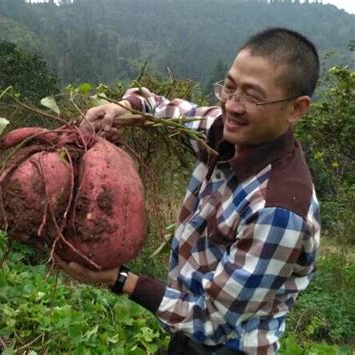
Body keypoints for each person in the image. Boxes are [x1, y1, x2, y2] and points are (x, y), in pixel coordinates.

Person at [56, 27, 321, 354]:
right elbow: (166, 110)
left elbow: (212, 321)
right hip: (186, 332)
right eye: (229, 86)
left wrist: (119, 280)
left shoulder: (278, 211)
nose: (232, 105)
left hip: (230, 345)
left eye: (252, 96)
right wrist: (123, 109)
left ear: (297, 108)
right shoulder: (226, 131)